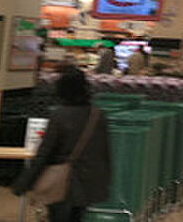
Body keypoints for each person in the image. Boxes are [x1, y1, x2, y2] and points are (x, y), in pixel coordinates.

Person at [12, 67, 111, 222]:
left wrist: (24, 182)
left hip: (62, 183)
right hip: (88, 183)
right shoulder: (98, 115)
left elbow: (44, 153)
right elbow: (104, 152)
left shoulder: (60, 115)